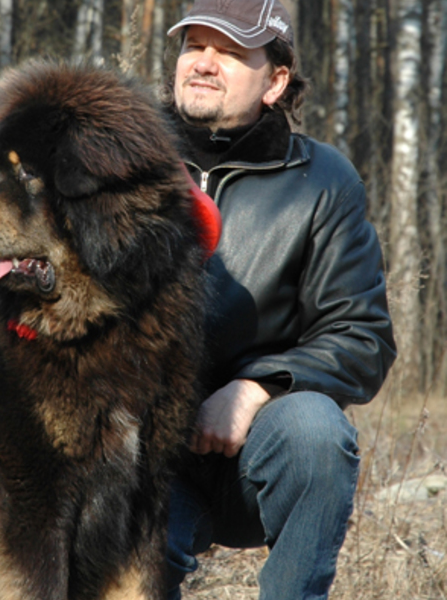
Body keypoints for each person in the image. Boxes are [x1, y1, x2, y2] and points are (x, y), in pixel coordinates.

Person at [162, 1, 397, 598]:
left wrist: (252, 390)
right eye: (194, 45)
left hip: (258, 451)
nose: (203, 63)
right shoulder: (119, 159)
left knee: (315, 432)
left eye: (229, 52)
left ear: (275, 81)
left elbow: (362, 336)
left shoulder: (324, 182)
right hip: (145, 454)